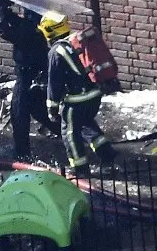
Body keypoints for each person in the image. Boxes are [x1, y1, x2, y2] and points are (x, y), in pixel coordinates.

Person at [39, 11, 117, 177]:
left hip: (76, 101)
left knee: (70, 133)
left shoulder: (56, 52)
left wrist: (52, 107)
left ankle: (80, 169)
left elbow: (55, 82)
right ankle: (108, 156)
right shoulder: (76, 42)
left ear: (48, 31)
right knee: (86, 124)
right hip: (95, 95)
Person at [0, 0, 60, 161]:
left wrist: (2, 8)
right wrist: (7, 11)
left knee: (19, 113)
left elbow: (3, 29)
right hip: (38, 77)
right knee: (40, 110)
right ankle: (63, 131)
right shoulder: (38, 29)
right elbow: (16, 22)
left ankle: (22, 154)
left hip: (25, 78)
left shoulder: (27, 30)